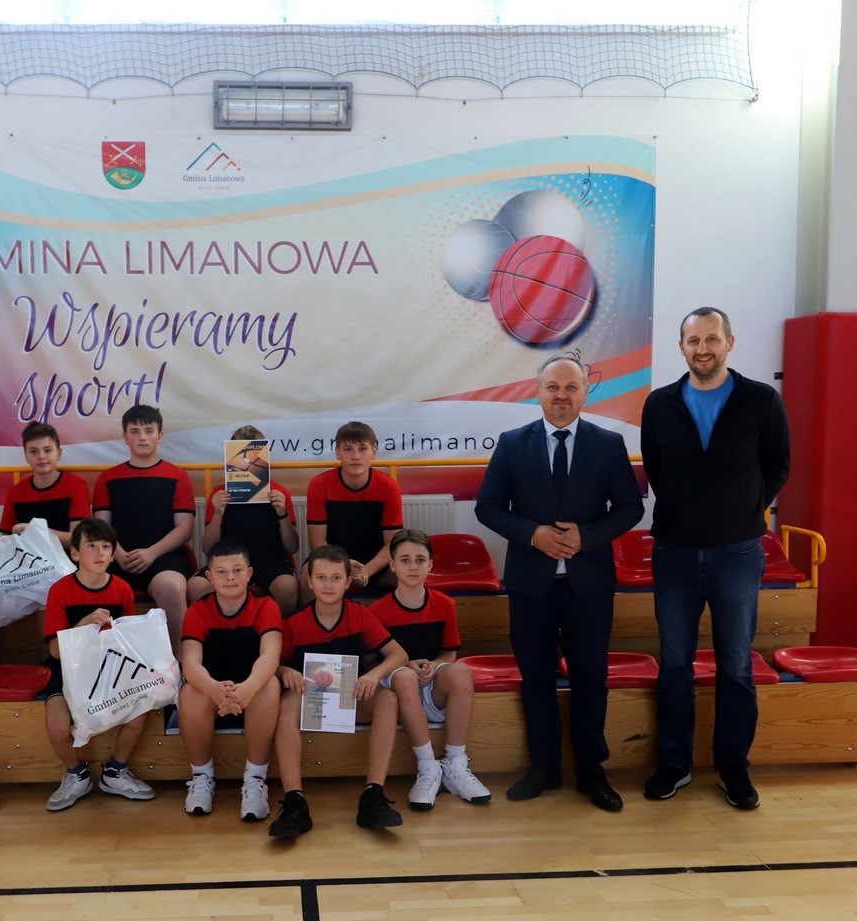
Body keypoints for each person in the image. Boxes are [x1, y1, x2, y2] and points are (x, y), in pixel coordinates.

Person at [475, 350, 644, 809]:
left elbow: (630, 508)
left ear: (586, 392)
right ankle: (544, 768)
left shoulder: (608, 444)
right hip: (532, 585)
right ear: (538, 392)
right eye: (553, 387)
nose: (562, 395)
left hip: (590, 586)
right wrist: (533, 534)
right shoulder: (512, 443)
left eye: (571, 387)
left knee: (591, 678)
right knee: (536, 679)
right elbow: (487, 507)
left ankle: (591, 771)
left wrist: (587, 537)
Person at [639, 307, 791, 811]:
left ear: (730, 342)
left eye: (711, 339)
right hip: (675, 552)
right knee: (674, 664)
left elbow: (778, 466)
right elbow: (656, 468)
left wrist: (741, 512)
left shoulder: (761, 400)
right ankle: (674, 764)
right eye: (693, 340)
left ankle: (733, 767)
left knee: (735, 666)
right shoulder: (660, 404)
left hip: (737, 553)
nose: (702, 348)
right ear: (681, 347)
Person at [269, 544, 409, 839]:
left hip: (349, 698)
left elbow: (399, 654)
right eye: (321, 578)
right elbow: (271, 664)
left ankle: (373, 795)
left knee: (387, 698)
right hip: (310, 700)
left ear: (347, 582)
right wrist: (285, 671)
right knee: (287, 703)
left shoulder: (360, 615)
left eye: (336, 578)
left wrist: (373, 674)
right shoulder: (294, 623)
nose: (328, 585)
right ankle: (295, 802)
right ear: (309, 581)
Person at [367, 529, 492, 810]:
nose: (413, 566)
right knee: (405, 676)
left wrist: (434, 666)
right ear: (392, 565)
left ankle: (455, 765)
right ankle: (428, 767)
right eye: (405, 560)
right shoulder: (377, 611)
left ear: (430, 565)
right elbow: (373, 663)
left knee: (461, 671)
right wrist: (405, 665)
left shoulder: (444, 604)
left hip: (431, 689)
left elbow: (449, 652)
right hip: (399, 690)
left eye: (420, 560)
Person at [41, 518, 157, 811]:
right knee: (57, 725)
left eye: (106, 546)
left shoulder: (122, 589)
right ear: (75, 553)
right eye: (91, 546)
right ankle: (76, 775)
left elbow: (127, 643)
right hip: (68, 668)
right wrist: (83, 626)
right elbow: (55, 651)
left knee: (139, 712)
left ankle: (116, 772)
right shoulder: (60, 591)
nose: (100, 552)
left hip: (110, 667)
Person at [177, 540, 281, 822]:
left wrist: (249, 687)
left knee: (269, 685)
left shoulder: (265, 605)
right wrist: (214, 689)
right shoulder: (198, 610)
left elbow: (271, 654)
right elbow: (190, 662)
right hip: (214, 694)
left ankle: (255, 780)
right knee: (191, 693)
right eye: (221, 572)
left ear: (249, 573)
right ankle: (202, 777)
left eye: (237, 570)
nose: (230, 578)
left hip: (251, 693)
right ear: (209, 577)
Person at [0, 420, 91, 666]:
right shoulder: (17, 492)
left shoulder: (75, 486)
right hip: (26, 568)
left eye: (47, 450)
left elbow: (77, 539)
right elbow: (6, 541)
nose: (41, 457)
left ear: (59, 453)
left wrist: (37, 531)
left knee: (48, 601)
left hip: (63, 566)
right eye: (34, 451)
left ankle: (50, 671)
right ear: (26, 456)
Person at [93, 403, 195, 652]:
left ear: (159, 435)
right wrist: (118, 554)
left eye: (149, 431)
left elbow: (184, 528)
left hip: (163, 557)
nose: (142, 437)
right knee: (92, 584)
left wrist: (151, 553)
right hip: (116, 556)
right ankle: (105, 663)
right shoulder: (107, 478)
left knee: (172, 587)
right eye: (135, 431)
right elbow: (100, 527)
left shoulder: (177, 476)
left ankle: (179, 663)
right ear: (125, 436)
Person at [189, 424, 300, 617]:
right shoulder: (220, 494)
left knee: (288, 589)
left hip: (271, 560)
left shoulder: (278, 493)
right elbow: (208, 548)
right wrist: (217, 514)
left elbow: (292, 547)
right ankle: (222, 628)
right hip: (227, 561)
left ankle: (273, 629)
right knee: (196, 587)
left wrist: (282, 513)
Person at [306, 422, 404, 595]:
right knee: (305, 579)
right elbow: (317, 543)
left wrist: (367, 570)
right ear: (338, 453)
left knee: (405, 573)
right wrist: (342, 566)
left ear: (374, 452)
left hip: (375, 561)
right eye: (348, 449)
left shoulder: (389, 487)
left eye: (362, 449)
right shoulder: (319, 485)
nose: (356, 456)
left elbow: (392, 544)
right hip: (332, 558)